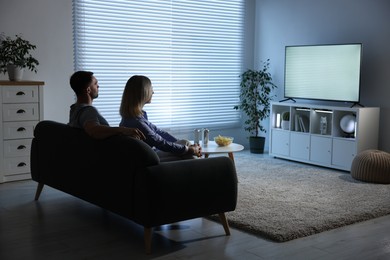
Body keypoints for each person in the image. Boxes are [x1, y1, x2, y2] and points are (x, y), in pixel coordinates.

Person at [119, 75, 202, 160]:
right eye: (151, 89)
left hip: (153, 153)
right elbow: (160, 142)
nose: (153, 92)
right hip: (150, 159)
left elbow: (159, 132)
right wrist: (189, 150)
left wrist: (180, 143)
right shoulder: (137, 122)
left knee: (185, 142)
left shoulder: (137, 116)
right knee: (189, 155)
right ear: (143, 92)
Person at [68, 71, 145, 140]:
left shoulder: (74, 109)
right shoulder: (88, 110)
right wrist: (122, 130)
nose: (98, 86)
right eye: (95, 84)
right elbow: (93, 130)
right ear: (88, 90)